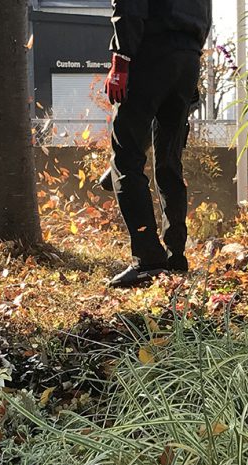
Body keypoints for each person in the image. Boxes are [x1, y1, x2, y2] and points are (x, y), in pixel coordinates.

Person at [102, 0, 212, 288]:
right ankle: (175, 256)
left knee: (126, 159)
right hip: (188, 58)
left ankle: (148, 260)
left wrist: (120, 62)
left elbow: (128, 5)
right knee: (169, 160)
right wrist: (190, 55)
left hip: (149, 53)